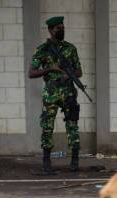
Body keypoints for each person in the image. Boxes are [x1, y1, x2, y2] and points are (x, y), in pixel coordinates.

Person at [28, 16, 82, 174]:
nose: (62, 30)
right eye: (58, 28)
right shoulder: (42, 50)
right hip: (51, 94)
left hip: (69, 93)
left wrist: (69, 75)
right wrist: (50, 69)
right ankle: (46, 162)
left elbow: (79, 71)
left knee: (72, 126)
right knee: (47, 127)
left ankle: (75, 161)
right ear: (51, 30)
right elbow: (31, 73)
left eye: (63, 28)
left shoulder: (70, 49)